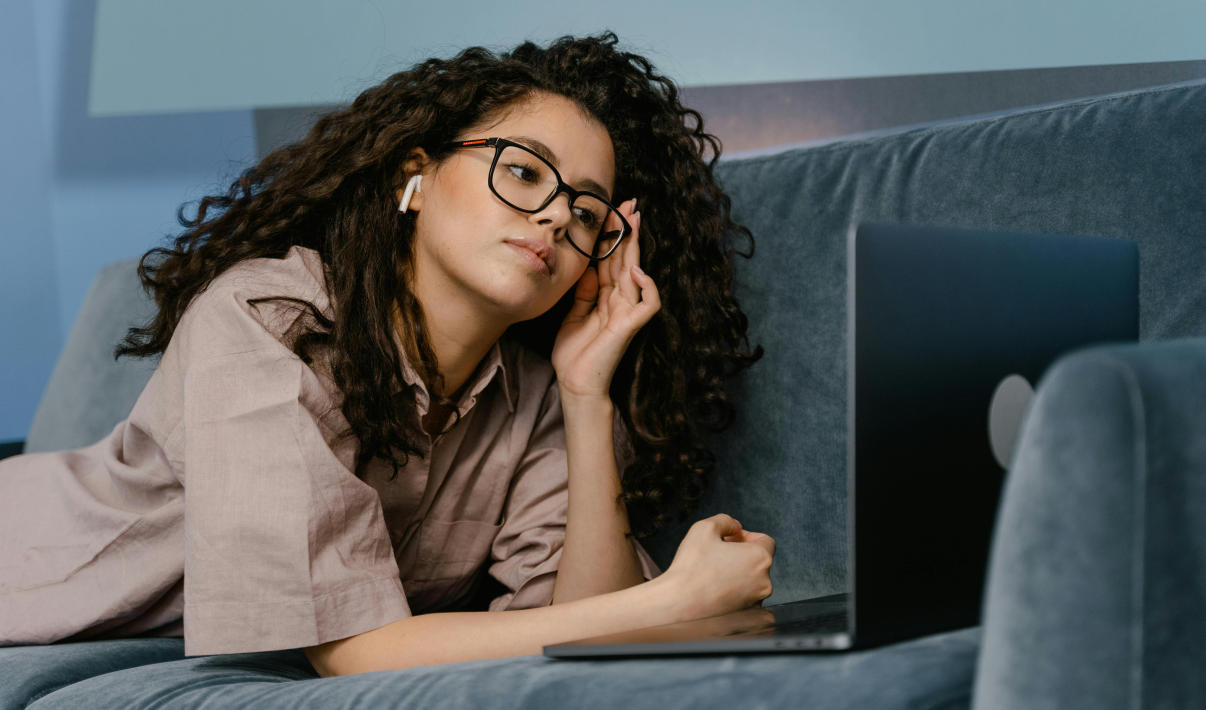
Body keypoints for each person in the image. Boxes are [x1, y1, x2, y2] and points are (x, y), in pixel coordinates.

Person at [0, 33, 770, 677]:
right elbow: (352, 652)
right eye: (524, 170)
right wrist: (673, 601)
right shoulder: (269, 320)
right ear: (416, 178)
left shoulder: (535, 395)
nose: (552, 217)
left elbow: (583, 634)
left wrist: (584, 392)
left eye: (586, 208)